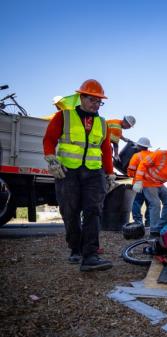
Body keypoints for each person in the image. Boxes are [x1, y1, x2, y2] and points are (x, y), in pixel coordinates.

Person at [43, 79, 115, 271]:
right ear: (81, 98)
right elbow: (49, 139)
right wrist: (51, 160)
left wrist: (110, 174)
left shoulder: (102, 124)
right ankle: (75, 248)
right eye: (92, 99)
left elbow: (106, 150)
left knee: (94, 211)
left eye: (99, 101)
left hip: (93, 173)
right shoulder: (63, 116)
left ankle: (90, 255)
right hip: (68, 172)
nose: (96, 104)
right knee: (70, 212)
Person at [127, 137, 153, 226]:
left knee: (137, 203)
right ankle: (149, 223)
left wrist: (131, 175)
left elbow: (130, 171)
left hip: (139, 184)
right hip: (151, 185)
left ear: (140, 146)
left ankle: (138, 223)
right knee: (150, 204)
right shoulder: (153, 155)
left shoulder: (136, 156)